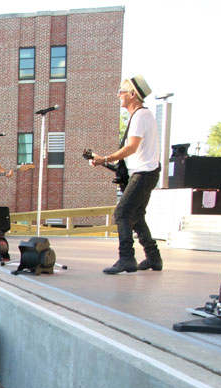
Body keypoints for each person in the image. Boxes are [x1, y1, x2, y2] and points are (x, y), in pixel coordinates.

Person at [90, 75, 163, 274]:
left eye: (121, 92)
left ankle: (127, 258)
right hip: (146, 172)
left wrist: (105, 158)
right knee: (137, 215)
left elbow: (132, 147)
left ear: (133, 95)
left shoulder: (140, 115)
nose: (118, 95)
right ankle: (154, 257)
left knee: (122, 213)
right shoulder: (140, 116)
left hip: (144, 173)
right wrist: (105, 161)